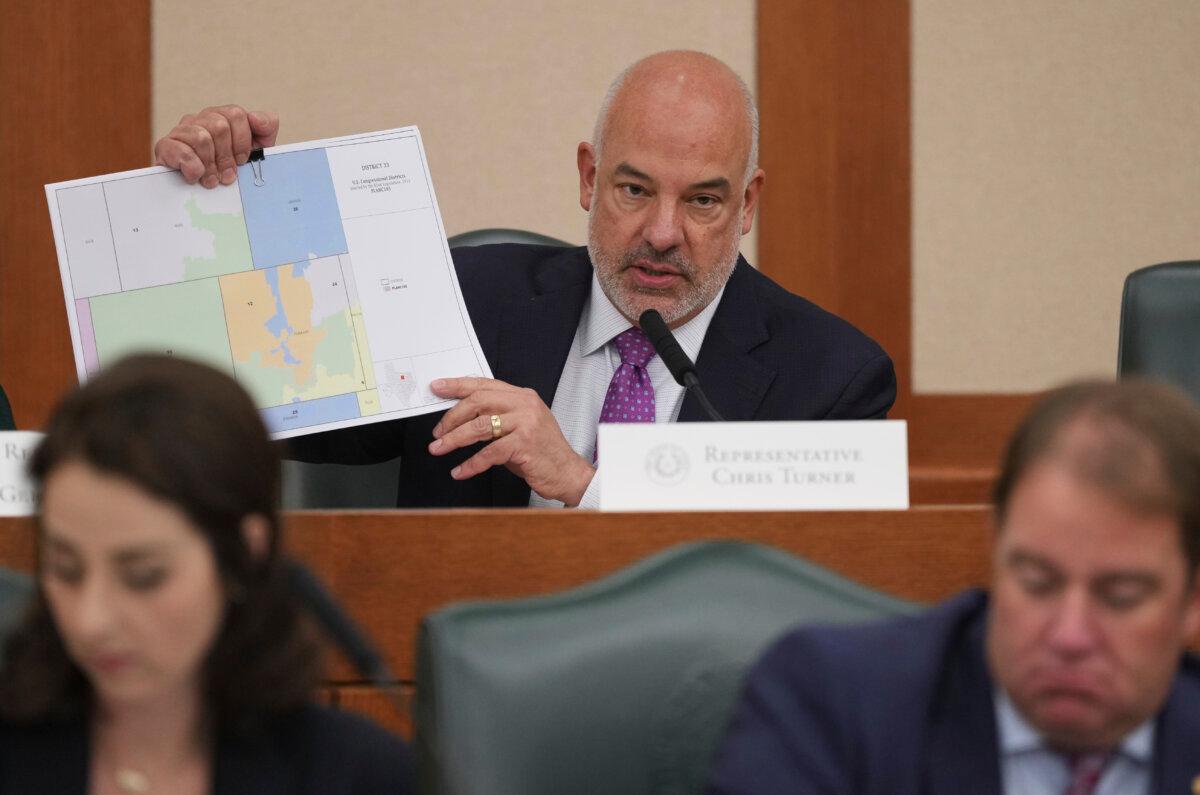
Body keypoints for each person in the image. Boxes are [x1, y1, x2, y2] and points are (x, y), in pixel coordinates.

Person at [154, 50, 896, 509]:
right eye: (633, 190)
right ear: (588, 177)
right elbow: (254, 403)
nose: (663, 234)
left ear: (748, 205)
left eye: (702, 200)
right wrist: (224, 205)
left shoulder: (829, 377)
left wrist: (582, 482)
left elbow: (794, 588)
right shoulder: (464, 302)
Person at [706, 379, 1200, 795]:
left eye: (1120, 597)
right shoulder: (832, 706)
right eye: (1036, 583)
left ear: (1193, 599)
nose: (1069, 636)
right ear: (996, 551)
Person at [0, 354, 411, 795]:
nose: (91, 620)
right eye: (66, 570)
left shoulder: (358, 776)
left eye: (144, 576)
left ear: (244, 554)